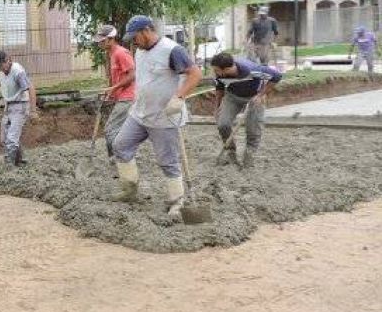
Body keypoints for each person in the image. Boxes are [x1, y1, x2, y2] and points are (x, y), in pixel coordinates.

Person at [112, 16, 203, 217]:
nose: (133, 42)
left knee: (167, 161)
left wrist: (179, 97)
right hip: (140, 113)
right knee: (120, 145)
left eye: (135, 37)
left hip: (164, 117)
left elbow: (195, 73)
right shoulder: (140, 51)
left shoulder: (172, 50)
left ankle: (176, 202)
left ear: (146, 31)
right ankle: (130, 190)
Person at [210, 52, 281, 168]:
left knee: (253, 128)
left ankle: (249, 155)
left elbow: (277, 76)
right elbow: (219, 88)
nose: (214, 73)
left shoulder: (252, 70)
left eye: (216, 70)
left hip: (254, 98)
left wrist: (260, 95)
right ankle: (230, 153)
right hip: (232, 97)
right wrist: (217, 107)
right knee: (223, 124)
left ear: (227, 69)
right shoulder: (219, 75)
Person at [0, 51, 37, 166]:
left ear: (8, 60)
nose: (0, 69)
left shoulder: (18, 72)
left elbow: (31, 88)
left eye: (1, 65)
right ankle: (20, 161)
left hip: (20, 105)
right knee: (5, 138)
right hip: (8, 105)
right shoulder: (1, 71)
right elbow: (1, 81)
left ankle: (9, 166)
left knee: (11, 139)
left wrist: (33, 111)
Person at [93, 24, 135, 160]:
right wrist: (110, 92)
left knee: (110, 129)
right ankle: (119, 157)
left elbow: (132, 75)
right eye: (99, 40)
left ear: (111, 39)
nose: (100, 43)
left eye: (102, 40)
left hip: (128, 97)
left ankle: (117, 158)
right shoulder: (111, 54)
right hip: (121, 96)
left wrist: (114, 88)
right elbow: (117, 78)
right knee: (119, 129)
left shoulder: (121, 53)